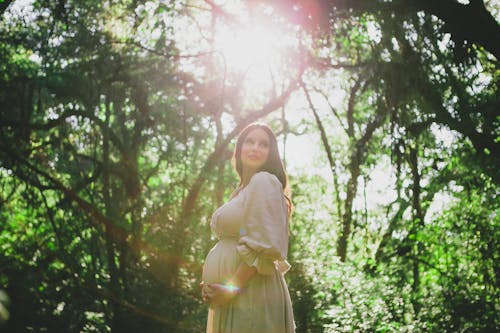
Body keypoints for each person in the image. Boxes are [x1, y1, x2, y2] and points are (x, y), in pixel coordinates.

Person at [201, 123, 295, 333]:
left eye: (263, 144)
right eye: (249, 141)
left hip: (251, 294)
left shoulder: (264, 181)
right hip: (235, 296)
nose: (255, 148)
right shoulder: (242, 189)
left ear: (271, 154)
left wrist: (229, 289)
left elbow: (262, 248)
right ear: (239, 148)